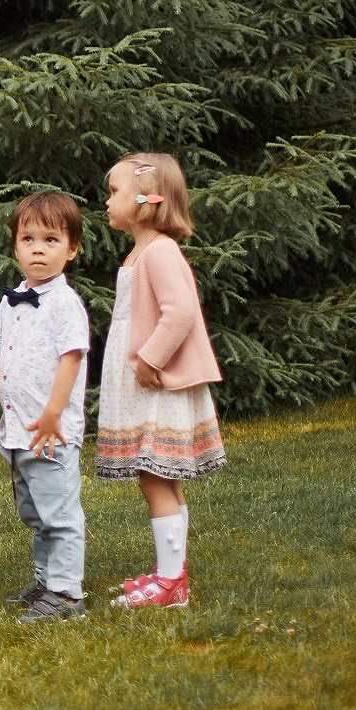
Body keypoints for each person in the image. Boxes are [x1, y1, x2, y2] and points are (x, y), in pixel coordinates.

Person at [97, 153, 225, 610]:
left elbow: (181, 312)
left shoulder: (160, 252)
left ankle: (170, 583)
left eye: (114, 191)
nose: (107, 201)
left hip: (156, 384)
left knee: (155, 476)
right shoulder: (140, 252)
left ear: (146, 201)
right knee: (159, 477)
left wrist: (151, 360)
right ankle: (173, 576)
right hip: (144, 382)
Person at [0, 191, 91, 623]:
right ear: (15, 246)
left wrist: (54, 412)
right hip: (19, 428)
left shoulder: (65, 304)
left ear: (72, 249)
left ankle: (66, 595)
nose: (38, 248)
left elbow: (71, 358)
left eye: (50, 239)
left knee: (59, 513)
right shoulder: (13, 299)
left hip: (50, 430)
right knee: (36, 511)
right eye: (28, 239)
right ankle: (46, 580)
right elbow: (7, 351)